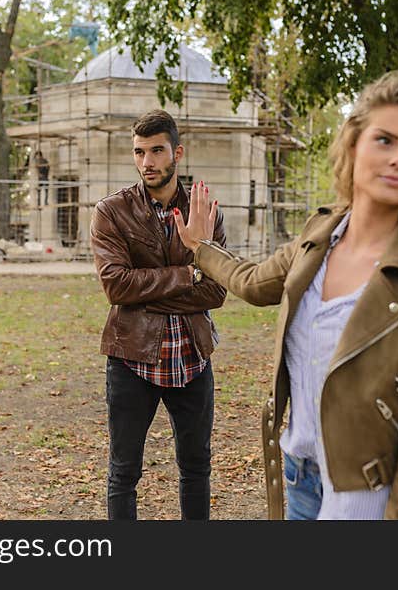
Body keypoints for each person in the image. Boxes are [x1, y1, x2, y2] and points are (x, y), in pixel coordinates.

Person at [174, 73, 398, 520]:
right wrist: (199, 249)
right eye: (385, 140)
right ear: (354, 143)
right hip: (301, 477)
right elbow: (253, 281)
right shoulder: (320, 235)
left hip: (373, 491)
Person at [90, 109, 227, 520]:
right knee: (124, 472)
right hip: (132, 360)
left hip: (192, 358)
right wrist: (189, 272)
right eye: (139, 152)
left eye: (156, 151)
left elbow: (217, 291)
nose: (147, 162)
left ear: (176, 153)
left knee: (196, 468)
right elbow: (116, 286)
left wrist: (144, 292)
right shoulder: (112, 211)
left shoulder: (206, 210)